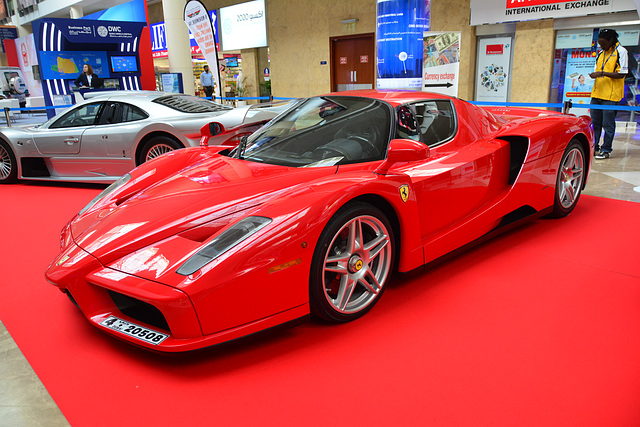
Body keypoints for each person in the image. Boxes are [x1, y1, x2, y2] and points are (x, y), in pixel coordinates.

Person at [589, 29, 628, 159]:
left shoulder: (621, 52)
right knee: (595, 123)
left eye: (603, 43)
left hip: (610, 96)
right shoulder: (601, 53)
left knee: (608, 124)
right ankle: (595, 147)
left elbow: (622, 73)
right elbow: (597, 69)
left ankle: (606, 150)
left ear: (611, 40)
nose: (601, 46)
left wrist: (601, 73)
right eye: (599, 43)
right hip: (597, 94)